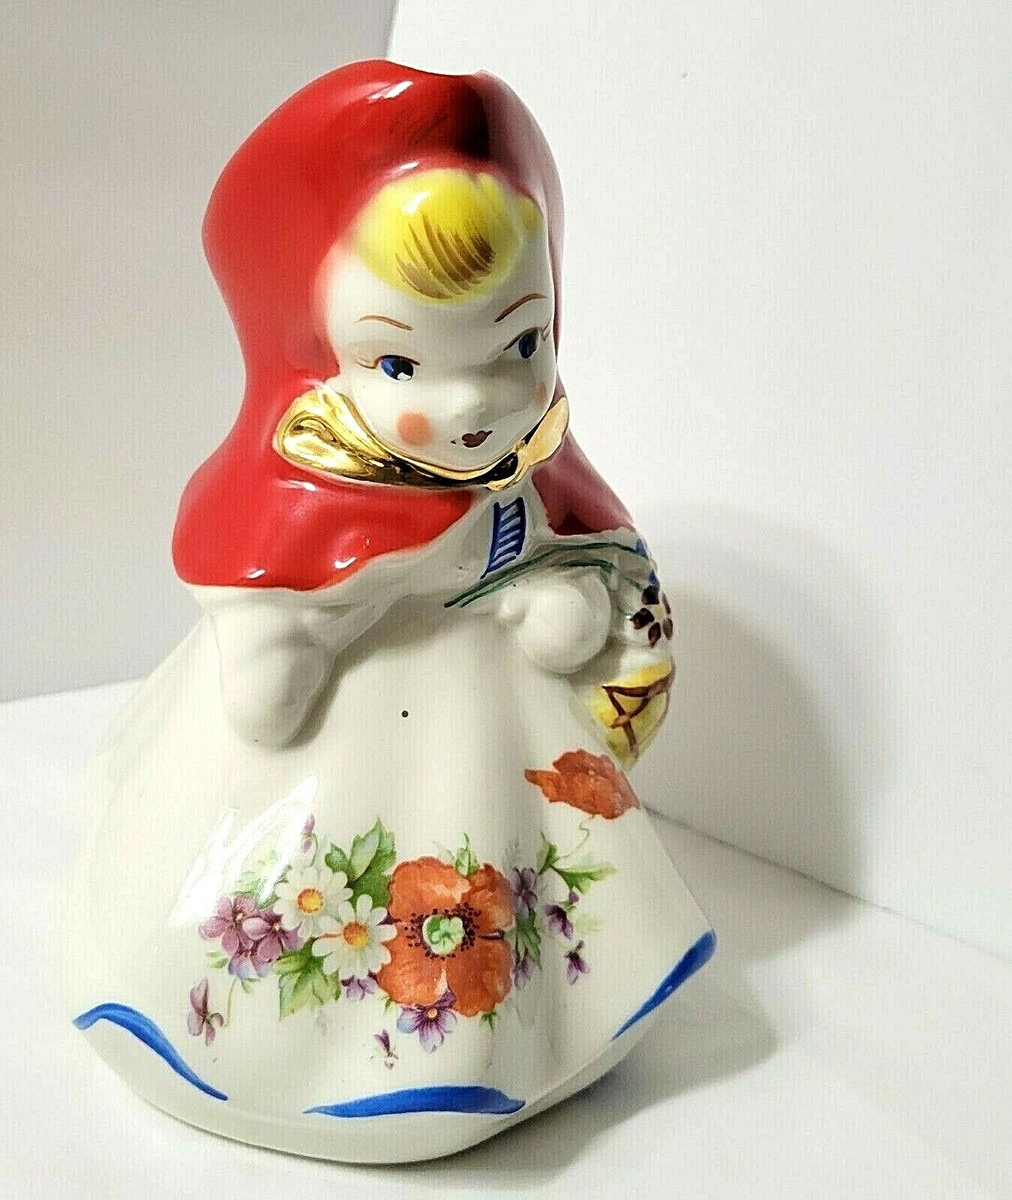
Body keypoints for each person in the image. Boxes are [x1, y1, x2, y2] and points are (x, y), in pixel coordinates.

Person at [70, 60, 713, 1163]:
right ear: (313, 349)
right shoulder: (303, 490)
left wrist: (560, 598)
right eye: (403, 361)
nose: (474, 404)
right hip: (341, 723)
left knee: (519, 866)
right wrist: (286, 632)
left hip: (490, 715)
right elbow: (255, 606)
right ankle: (276, 1048)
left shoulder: (530, 463)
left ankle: (521, 1026)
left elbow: (585, 545)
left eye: (521, 345)